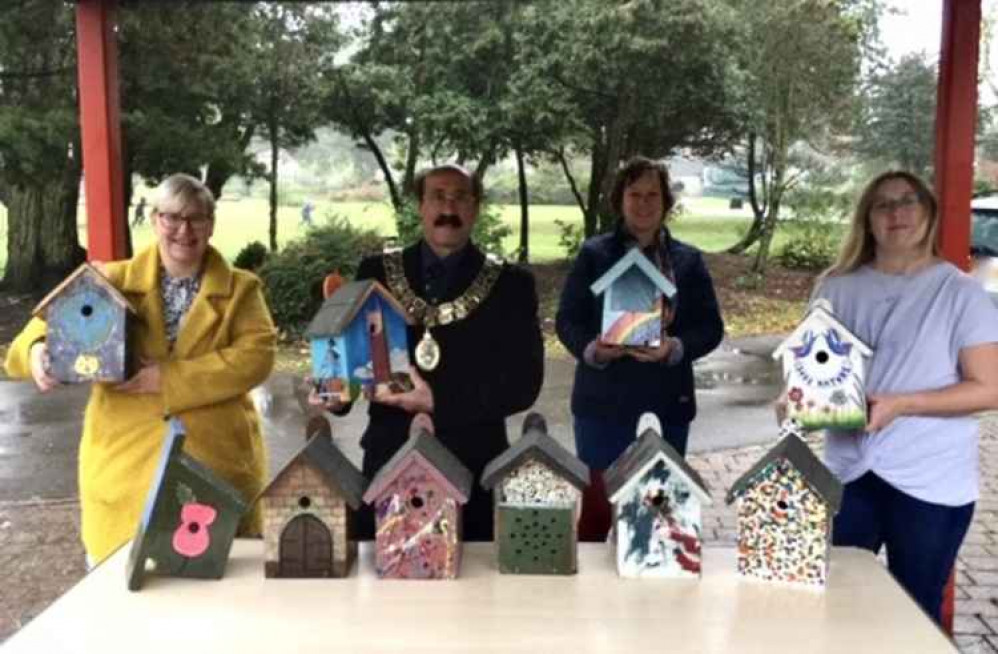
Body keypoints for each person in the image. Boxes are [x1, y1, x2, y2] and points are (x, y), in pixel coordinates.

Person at [4, 173, 277, 565]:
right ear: (154, 220)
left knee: (217, 604)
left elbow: (257, 356)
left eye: (196, 218)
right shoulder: (108, 280)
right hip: (123, 476)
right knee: (124, 603)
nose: (184, 230)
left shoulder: (242, 290)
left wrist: (167, 379)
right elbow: (28, 338)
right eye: (172, 217)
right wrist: (35, 353)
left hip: (217, 472)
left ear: (211, 225)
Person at [800, 170, 998, 625]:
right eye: (883, 204)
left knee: (914, 611)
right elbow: (813, 369)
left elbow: (989, 388)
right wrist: (797, 400)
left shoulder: (960, 293)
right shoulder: (836, 286)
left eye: (908, 201)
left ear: (928, 213)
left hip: (930, 479)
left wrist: (904, 404)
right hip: (848, 474)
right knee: (838, 605)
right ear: (866, 219)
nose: (896, 213)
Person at [311, 163, 544, 541]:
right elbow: (352, 360)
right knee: (387, 587)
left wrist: (437, 399)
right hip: (388, 461)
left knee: (470, 593)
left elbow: (524, 384)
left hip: (473, 469)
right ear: (420, 206)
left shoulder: (512, 284)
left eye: (460, 197)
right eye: (437, 196)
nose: (448, 208)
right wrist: (333, 392)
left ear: (476, 207)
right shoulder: (376, 271)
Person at [555, 156, 724, 541]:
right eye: (635, 194)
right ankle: (591, 596)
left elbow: (711, 328)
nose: (644, 203)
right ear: (620, 200)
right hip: (602, 407)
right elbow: (567, 320)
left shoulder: (688, 261)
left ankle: (652, 590)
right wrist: (593, 349)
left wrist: (675, 348)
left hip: (667, 404)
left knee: (659, 514)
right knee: (597, 513)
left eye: (653, 195)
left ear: (666, 202)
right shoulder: (594, 255)